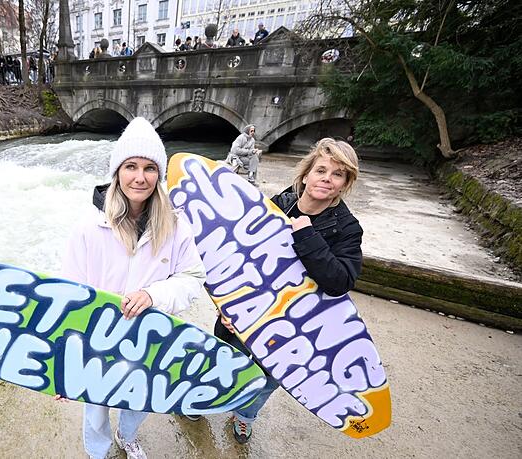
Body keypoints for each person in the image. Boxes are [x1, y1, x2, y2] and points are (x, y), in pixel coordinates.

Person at [60, 117, 206, 459]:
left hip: (148, 336)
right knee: (95, 402)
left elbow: (192, 277)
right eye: (130, 166)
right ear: (117, 172)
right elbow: (68, 295)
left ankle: (128, 436)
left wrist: (155, 295)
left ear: (160, 174)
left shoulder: (176, 226)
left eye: (149, 168)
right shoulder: (87, 229)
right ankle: (99, 450)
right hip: (97, 338)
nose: (140, 177)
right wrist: (64, 362)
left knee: (140, 394)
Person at [212, 138, 362, 444]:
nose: (326, 178)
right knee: (224, 363)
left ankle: (244, 417)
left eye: (337, 175)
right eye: (321, 170)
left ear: (344, 184)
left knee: (269, 377)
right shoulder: (278, 204)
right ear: (306, 174)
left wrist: (306, 234)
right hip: (248, 314)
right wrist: (224, 305)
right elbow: (238, 258)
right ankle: (202, 400)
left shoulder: (347, 228)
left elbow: (340, 282)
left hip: (296, 326)